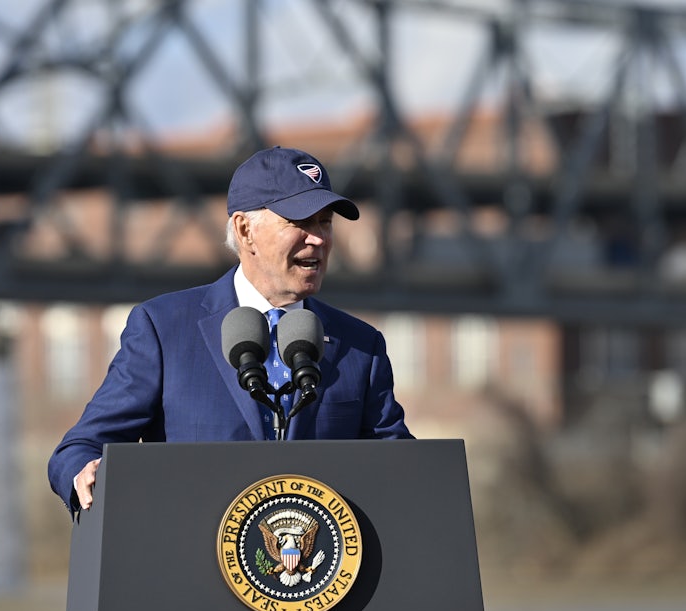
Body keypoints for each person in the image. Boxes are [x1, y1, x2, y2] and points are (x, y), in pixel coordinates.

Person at [48, 146, 413, 513]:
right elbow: (81, 448)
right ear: (244, 230)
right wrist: (85, 472)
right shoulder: (163, 329)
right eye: (300, 222)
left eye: (325, 222)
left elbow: (401, 467)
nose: (318, 239)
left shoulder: (360, 346)